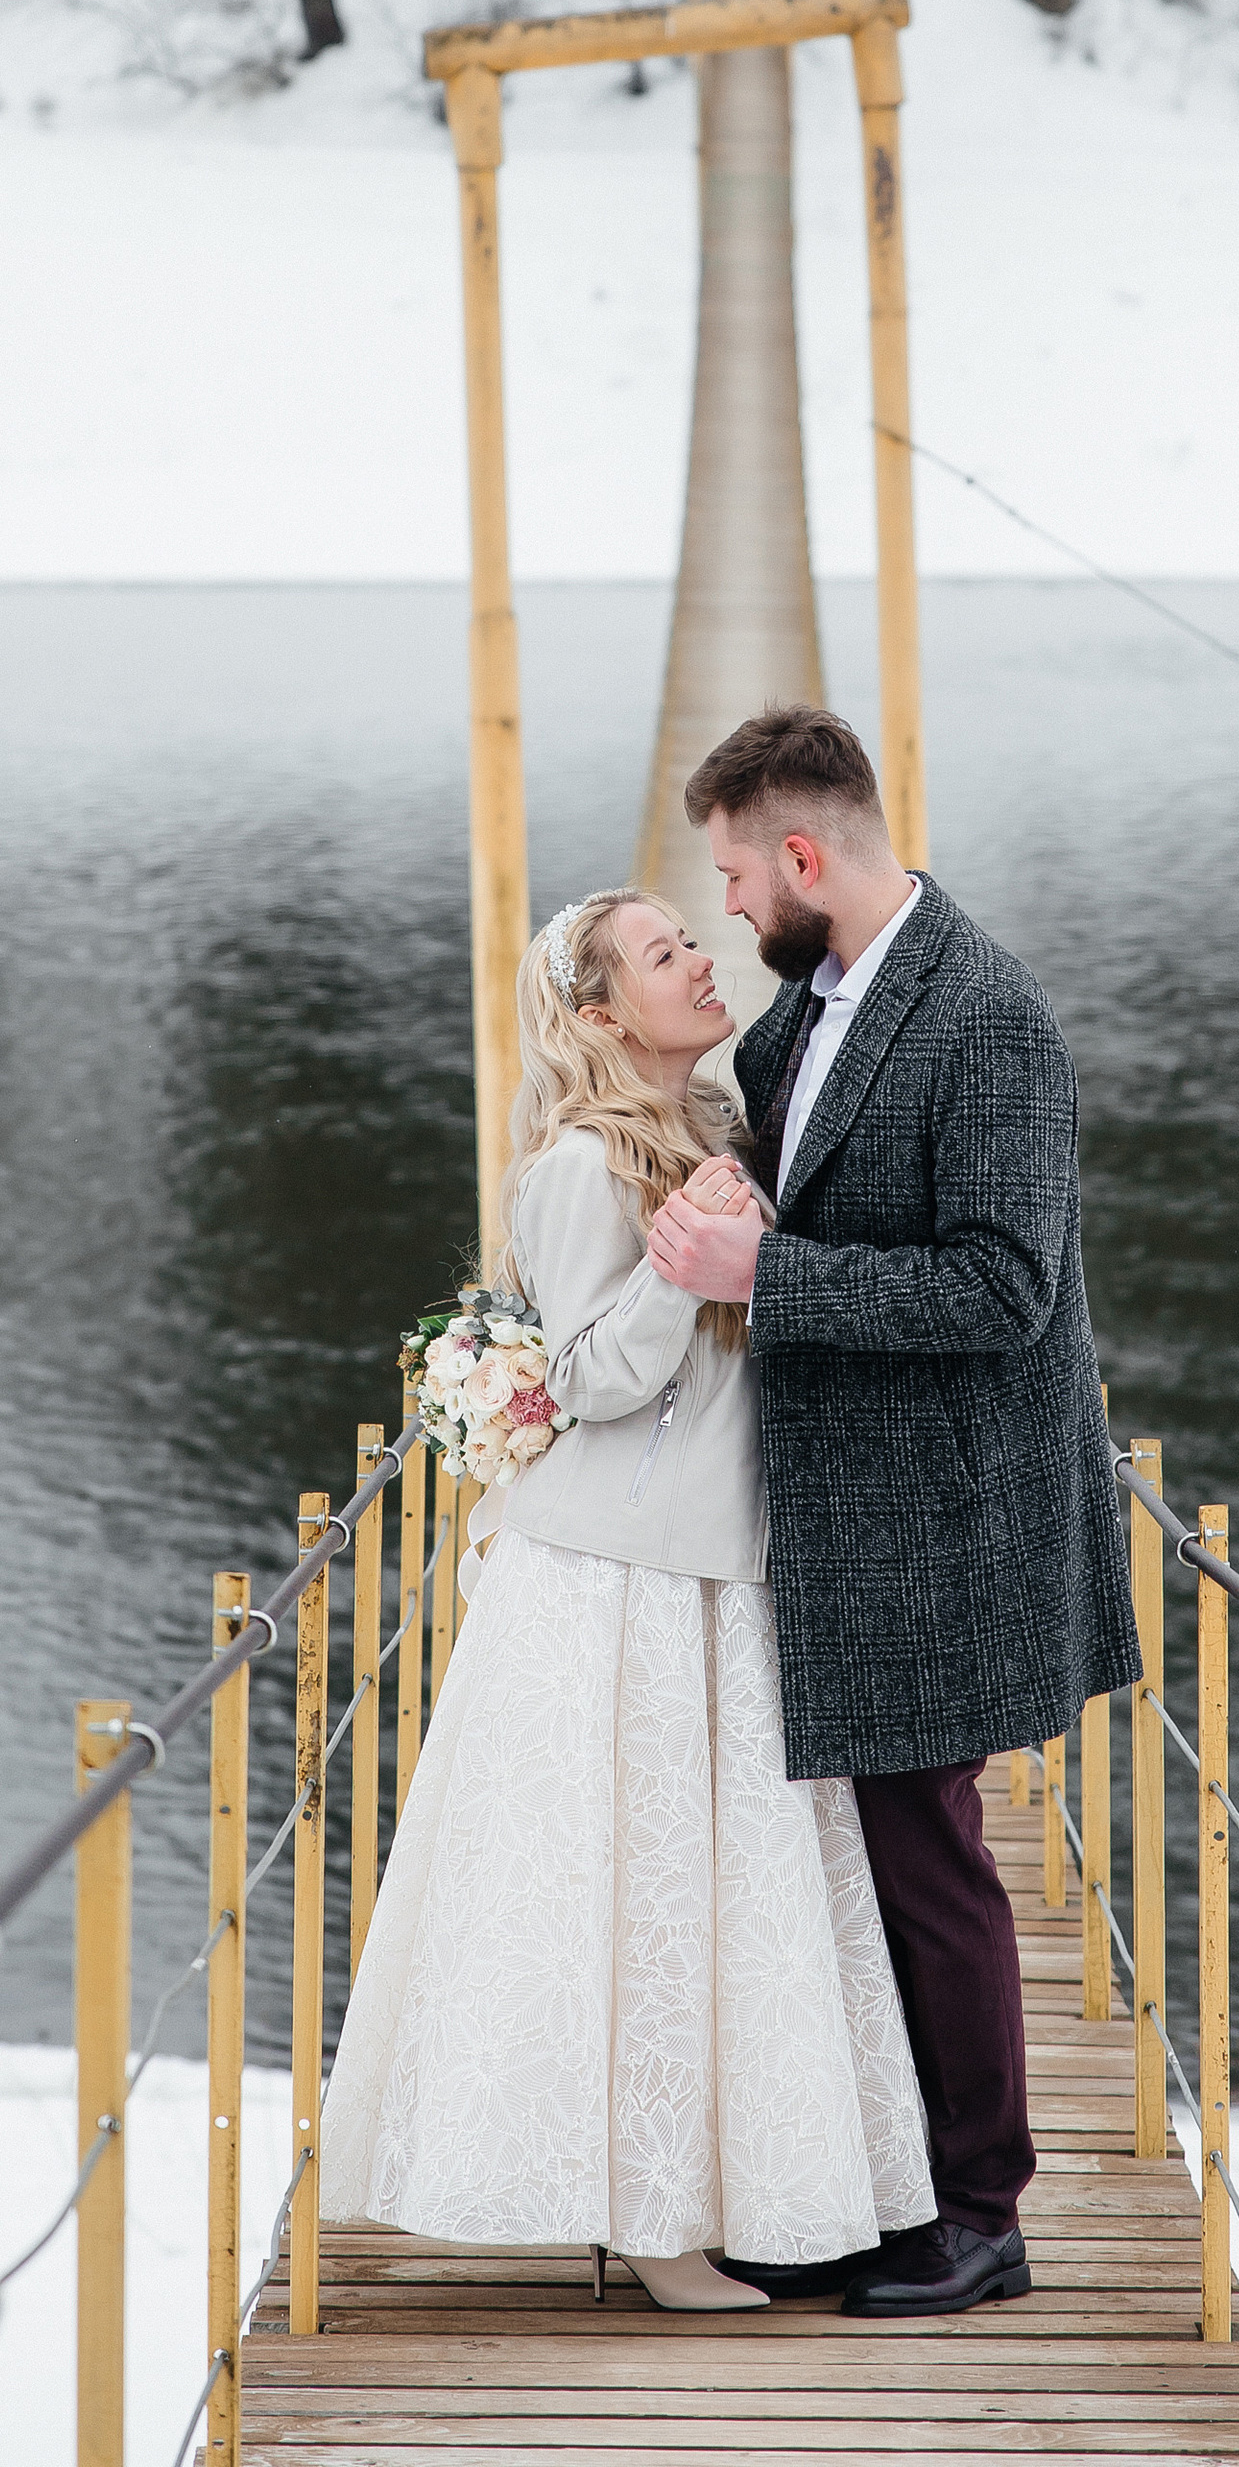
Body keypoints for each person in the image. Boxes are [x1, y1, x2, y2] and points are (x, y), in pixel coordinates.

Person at [320, 888, 933, 2311]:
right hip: (620, 1578)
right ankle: (654, 2229)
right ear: (601, 1013)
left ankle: (726, 2194)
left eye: (693, 939)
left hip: (723, 1562)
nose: (704, 960)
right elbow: (589, 1378)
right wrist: (678, 1260)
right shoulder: (582, 1164)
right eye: (667, 954)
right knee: (636, 1895)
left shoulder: (718, 1124)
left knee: (721, 1902)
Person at [645, 704, 1143, 2320]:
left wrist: (764, 1272)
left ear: (803, 856)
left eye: (736, 877)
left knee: (930, 1862)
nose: (729, 906)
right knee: (853, 1867)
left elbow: (1002, 1291)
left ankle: (983, 2217)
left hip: (945, 1520)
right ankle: (877, 2189)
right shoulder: (806, 1013)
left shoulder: (988, 1018)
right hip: (833, 1513)